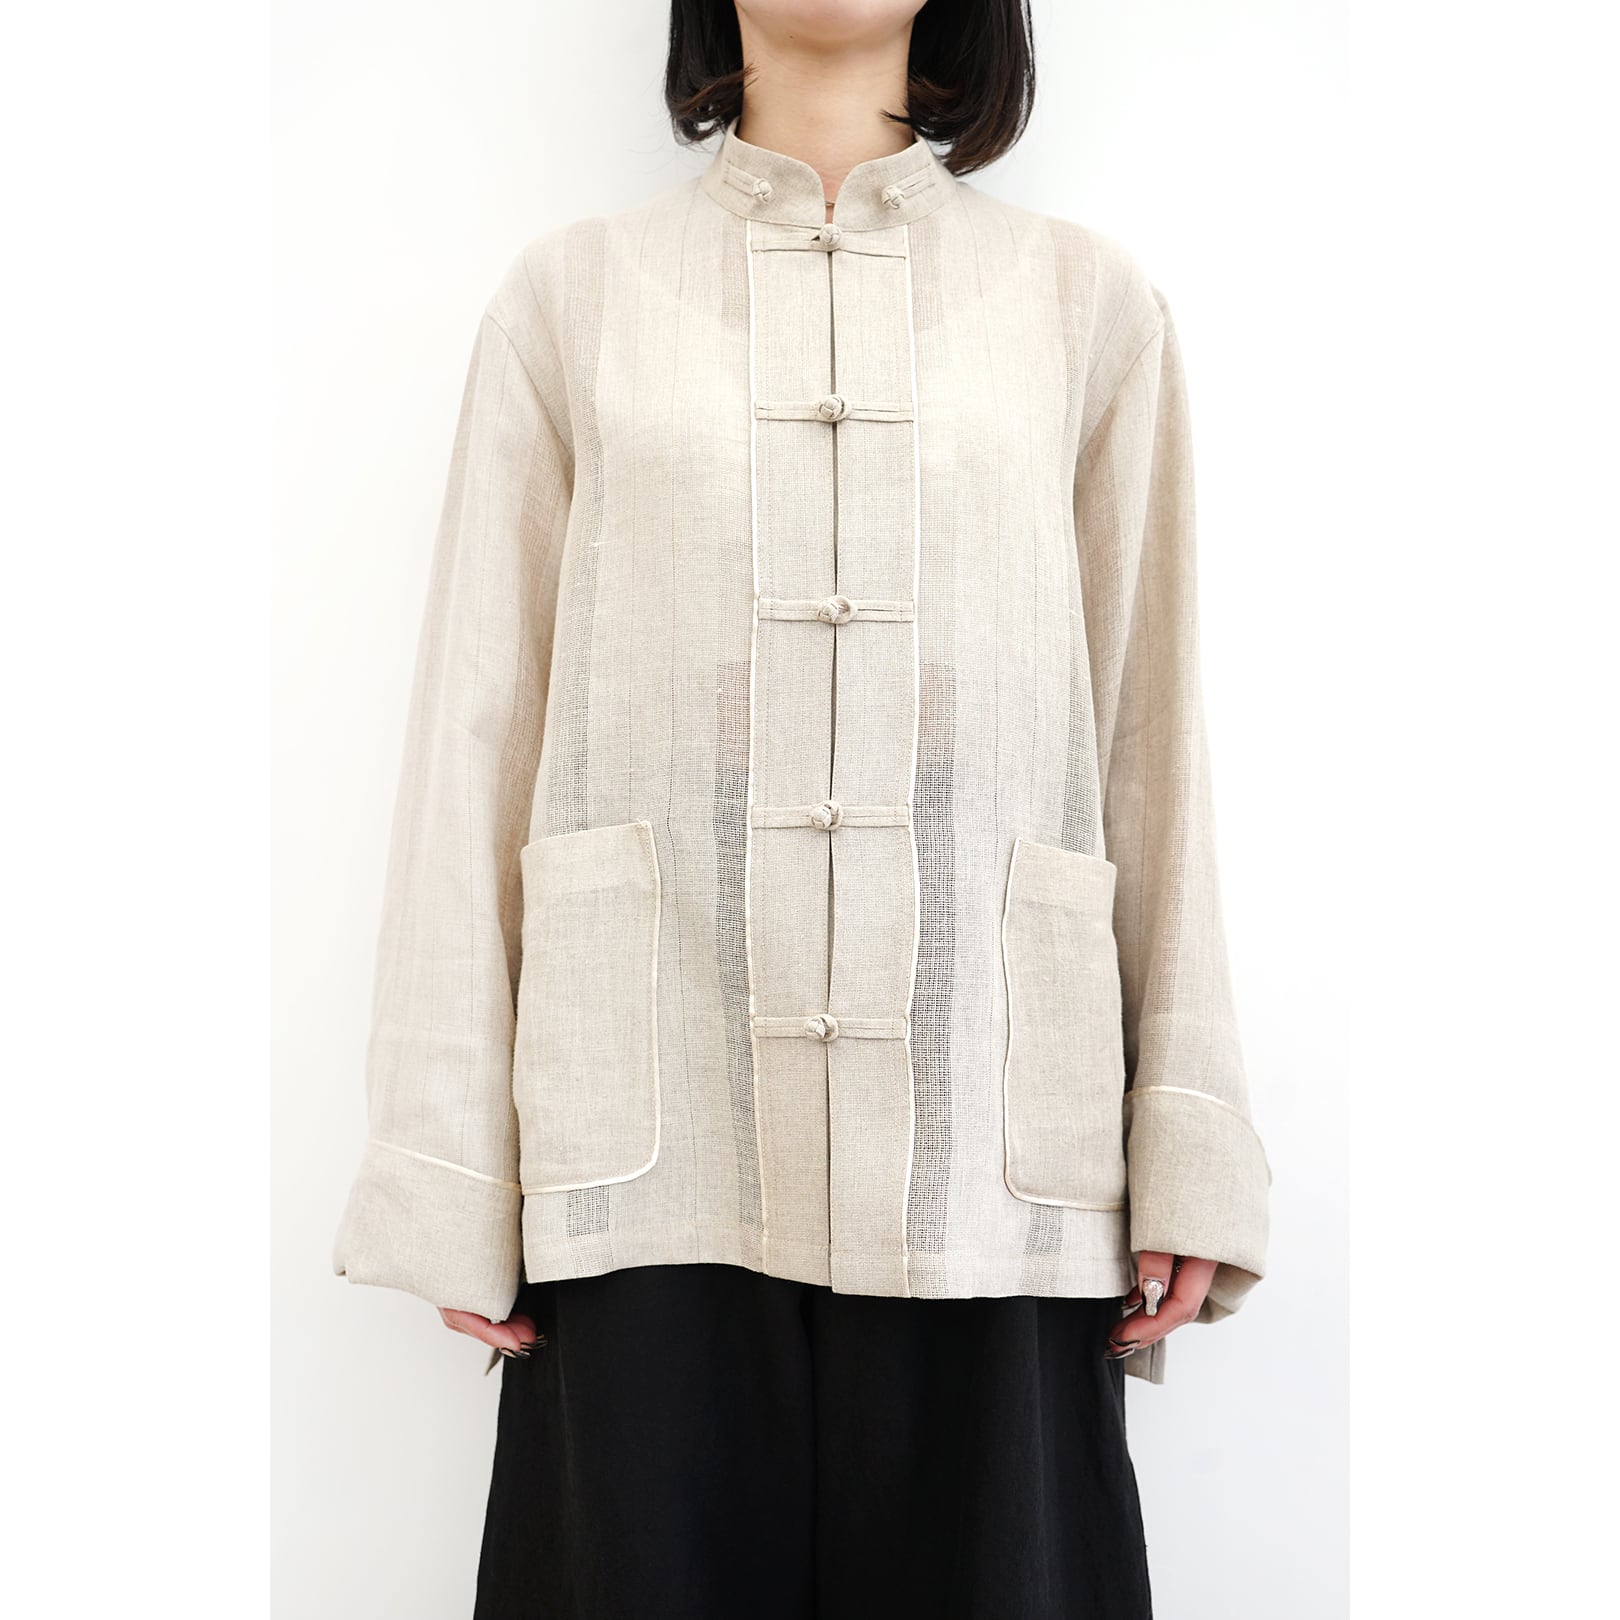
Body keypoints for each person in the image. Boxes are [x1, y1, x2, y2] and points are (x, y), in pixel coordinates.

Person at [332, 2, 1273, 1614]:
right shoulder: (573, 298)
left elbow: (1147, 733)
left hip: (988, 1142)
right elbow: (477, 727)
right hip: (649, 1150)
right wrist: (448, 1167)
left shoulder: (1084, 305)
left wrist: (1186, 1136)